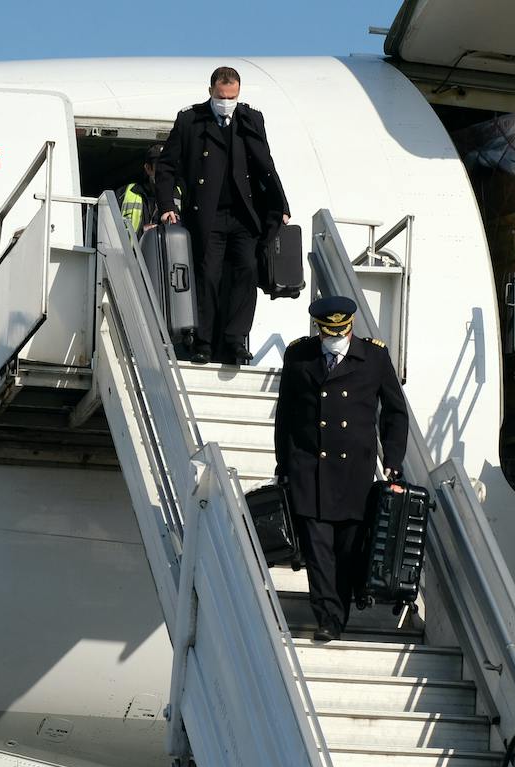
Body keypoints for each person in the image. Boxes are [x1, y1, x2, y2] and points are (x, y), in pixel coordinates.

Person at [273, 296, 410, 643]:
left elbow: (395, 412)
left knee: (347, 552)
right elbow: (286, 416)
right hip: (310, 470)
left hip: (354, 475)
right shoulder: (299, 356)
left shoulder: (374, 358)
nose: (335, 338)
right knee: (318, 553)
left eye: (340, 332)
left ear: (349, 328)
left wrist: (393, 461)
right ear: (319, 330)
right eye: (329, 333)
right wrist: (283, 465)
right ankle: (328, 619)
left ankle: (339, 611)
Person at [155, 65, 290, 363]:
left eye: (232, 96)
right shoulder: (191, 119)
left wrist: (280, 206)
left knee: (246, 272)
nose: (226, 100)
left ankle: (235, 340)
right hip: (208, 214)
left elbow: (265, 165)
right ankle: (203, 342)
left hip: (245, 214)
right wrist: (166, 206)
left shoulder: (251, 119)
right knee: (208, 275)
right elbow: (166, 166)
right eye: (221, 95)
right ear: (211, 92)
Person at [117, 144, 163, 236]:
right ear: (148, 168)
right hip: (131, 250)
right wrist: (143, 232)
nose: (164, 172)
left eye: (169, 167)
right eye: (160, 166)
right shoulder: (125, 193)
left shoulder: (180, 195)